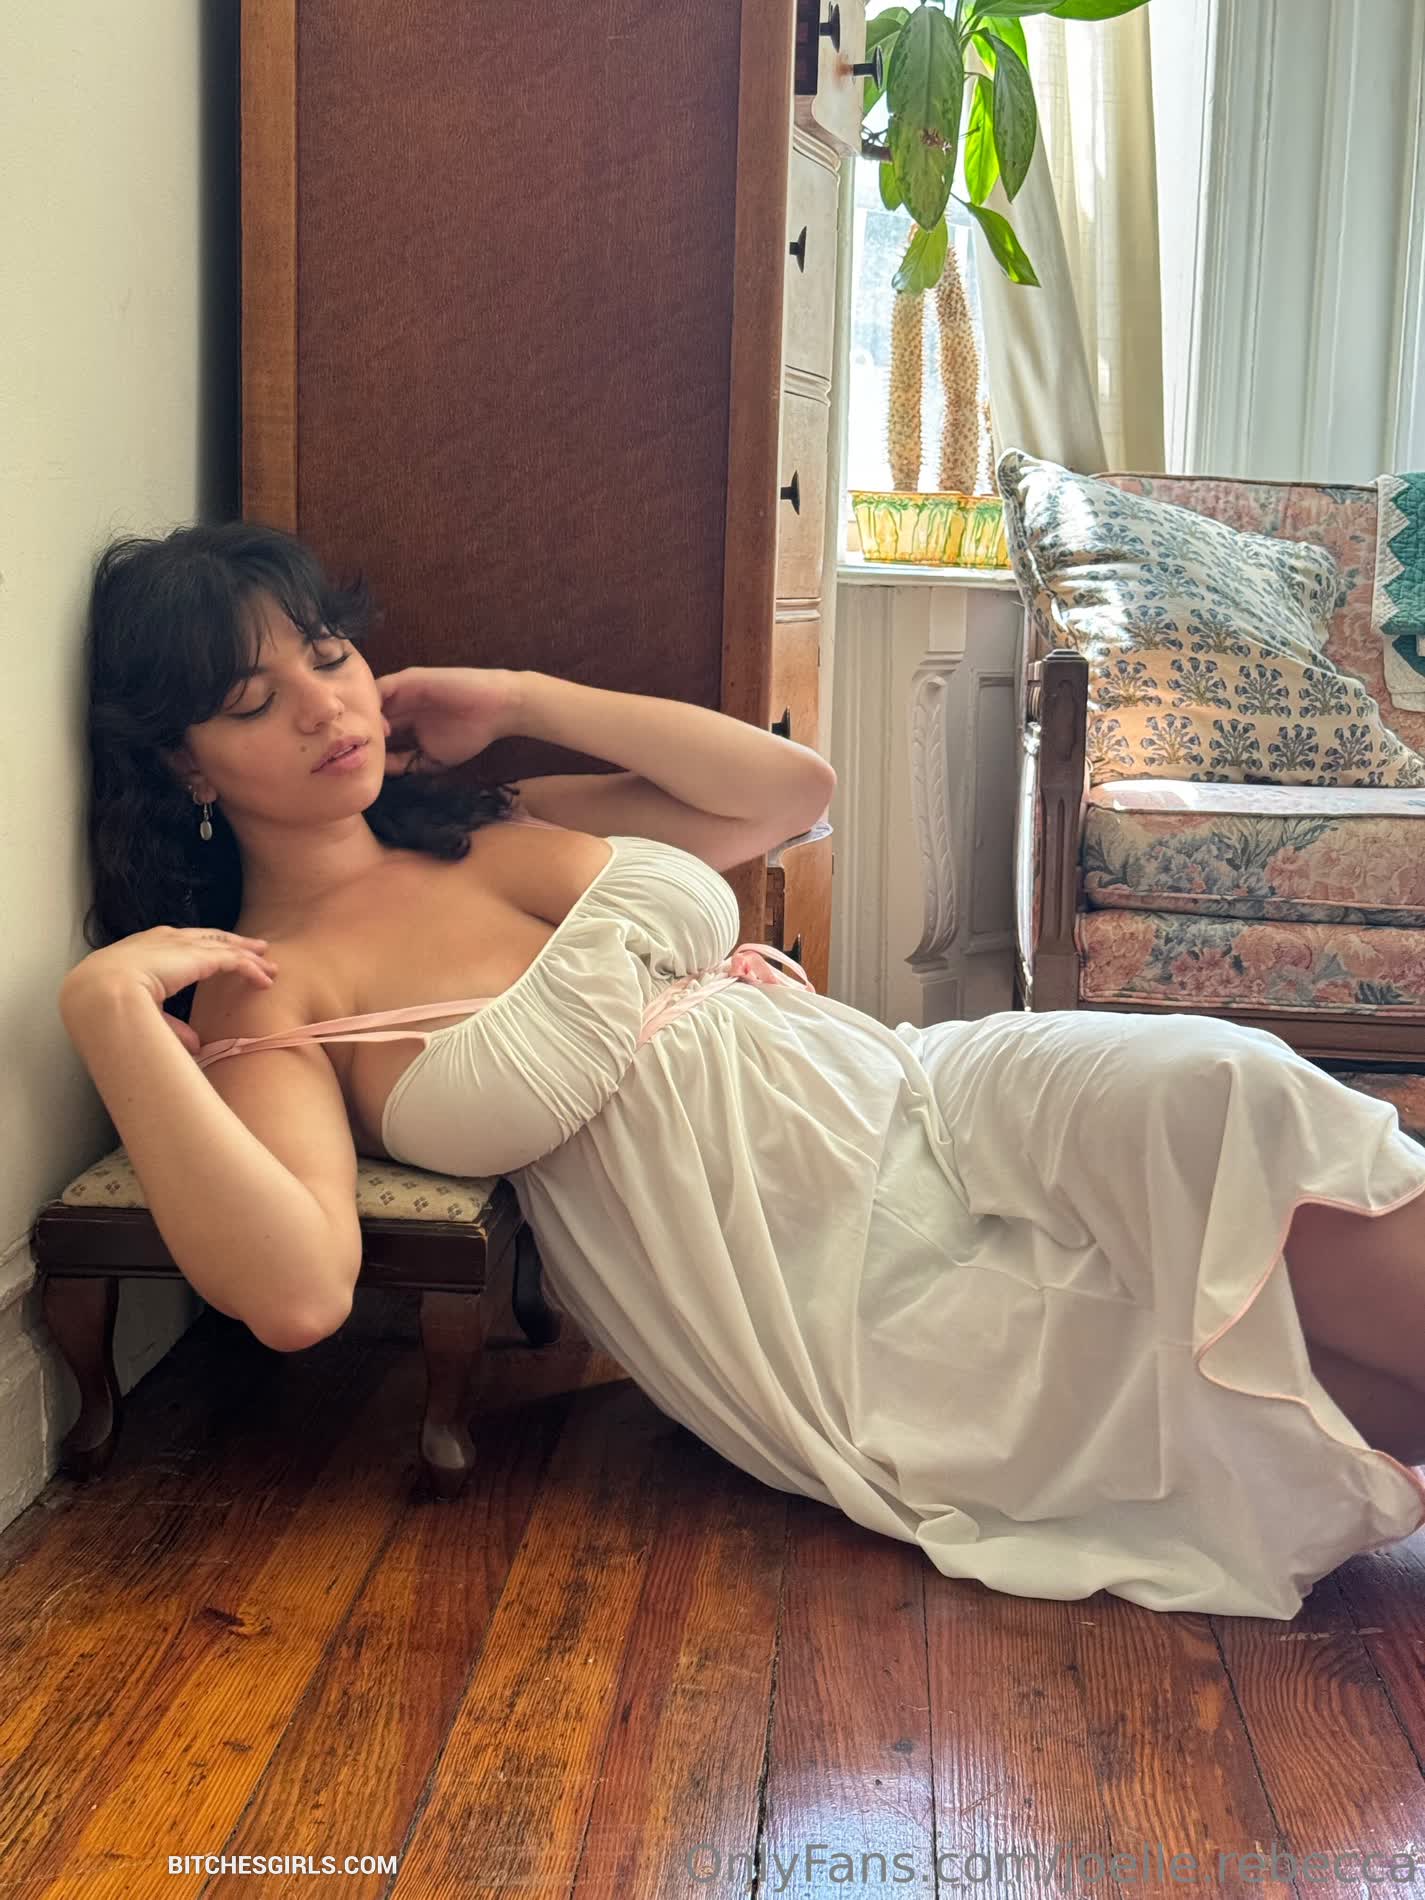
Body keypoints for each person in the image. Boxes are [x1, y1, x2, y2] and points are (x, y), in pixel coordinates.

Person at [59, 520, 1425, 1622]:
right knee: (1246, 1392)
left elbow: (790, 791)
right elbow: (296, 1294)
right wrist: (111, 1010)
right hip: (812, 1279)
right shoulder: (273, 985)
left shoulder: (493, 818)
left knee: (1213, 1089)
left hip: (919, 1091)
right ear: (183, 762)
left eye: (332, 654)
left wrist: (524, 700)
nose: (326, 707)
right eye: (255, 701)